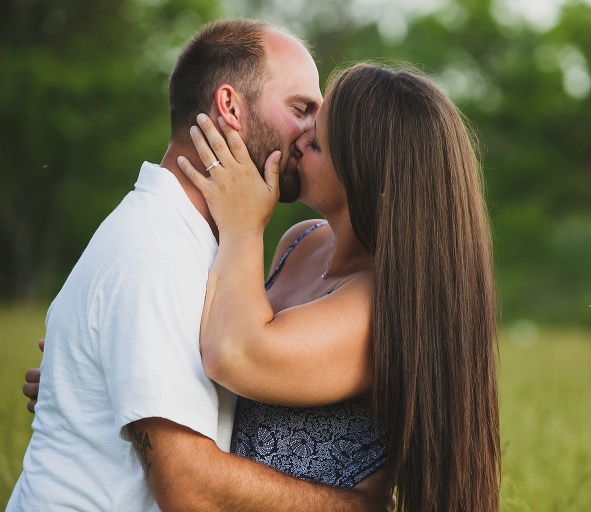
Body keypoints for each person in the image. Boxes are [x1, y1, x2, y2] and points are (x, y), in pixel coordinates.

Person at [8, 18, 387, 511]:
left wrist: (90, 382)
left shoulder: (199, 248)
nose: (313, 130)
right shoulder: (159, 255)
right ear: (230, 106)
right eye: (300, 108)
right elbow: (190, 491)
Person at [176, 62, 501, 511]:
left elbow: (233, 354)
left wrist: (242, 227)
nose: (297, 142)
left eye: (315, 143)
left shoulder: (379, 306)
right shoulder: (302, 242)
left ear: (362, 173)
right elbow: (212, 338)